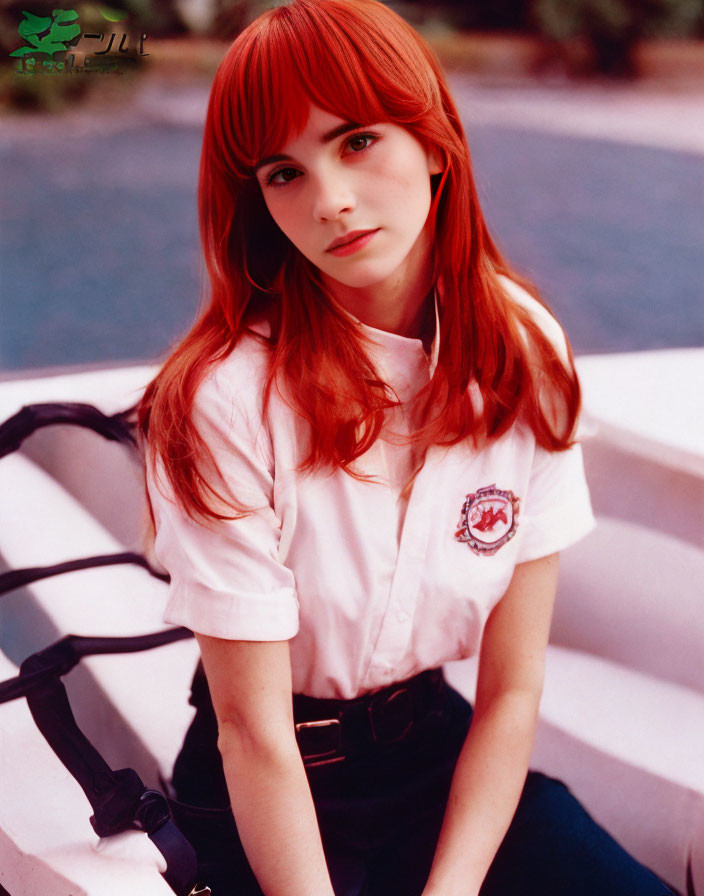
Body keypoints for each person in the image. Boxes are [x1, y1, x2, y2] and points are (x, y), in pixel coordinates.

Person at [137, 1, 675, 893]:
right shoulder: (224, 397)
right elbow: (253, 731)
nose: (330, 201)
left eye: (355, 141)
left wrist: (454, 886)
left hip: (438, 755)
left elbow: (509, 691)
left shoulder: (525, 353)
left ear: (433, 140)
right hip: (268, 792)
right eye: (283, 172)